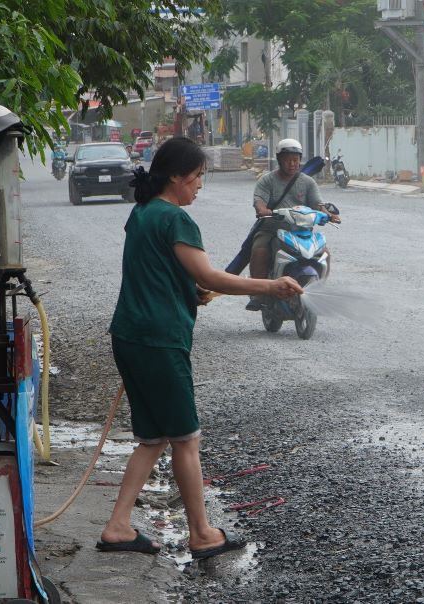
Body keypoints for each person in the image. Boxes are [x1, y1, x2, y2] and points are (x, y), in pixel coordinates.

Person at [97, 137, 303, 558]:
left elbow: (158, 269)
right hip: (160, 340)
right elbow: (210, 276)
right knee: (186, 439)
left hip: (130, 335)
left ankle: (118, 526)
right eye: (196, 177)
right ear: (176, 176)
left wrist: (188, 290)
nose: (200, 185)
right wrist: (271, 286)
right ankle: (202, 534)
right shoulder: (176, 219)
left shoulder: (141, 213)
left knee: (153, 438)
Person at [246, 137, 340, 311]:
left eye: (295, 160)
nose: (292, 164)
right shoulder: (267, 180)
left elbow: (318, 205)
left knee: (325, 253)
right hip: (272, 229)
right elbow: (259, 201)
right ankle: (258, 294)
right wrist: (262, 209)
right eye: (288, 160)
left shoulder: (308, 182)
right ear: (279, 160)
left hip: (302, 232)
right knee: (259, 249)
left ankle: (319, 290)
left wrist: (329, 215)